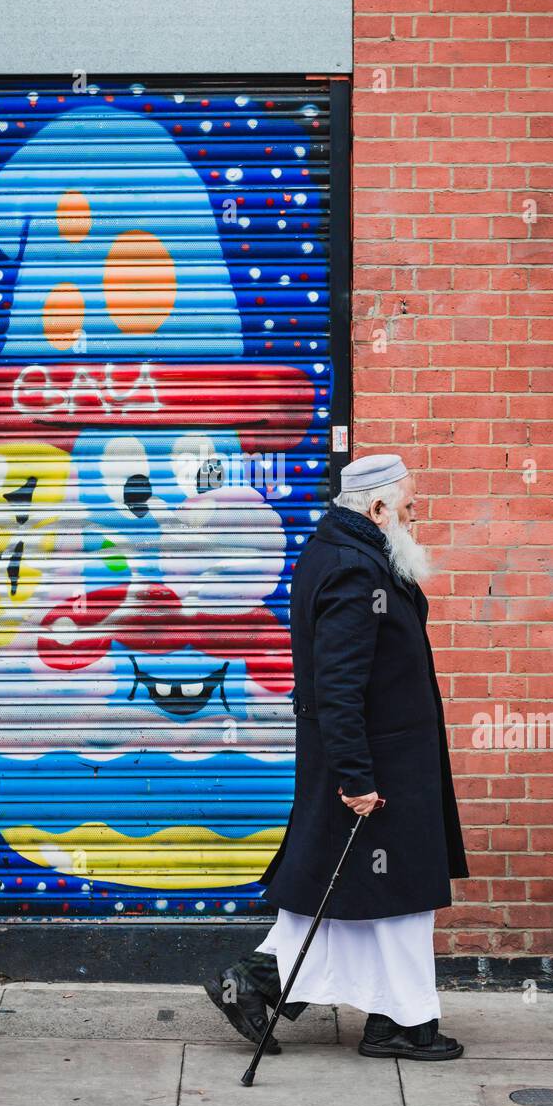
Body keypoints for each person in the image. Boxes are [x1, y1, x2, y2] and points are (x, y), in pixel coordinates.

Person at [204, 454, 469, 1060]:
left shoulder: (346, 555)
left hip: (380, 764)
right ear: (375, 508)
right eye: (406, 505)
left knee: (365, 894)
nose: (414, 513)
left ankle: (271, 985)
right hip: (377, 768)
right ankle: (398, 1021)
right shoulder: (356, 573)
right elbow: (338, 687)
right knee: (396, 899)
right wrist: (355, 777)